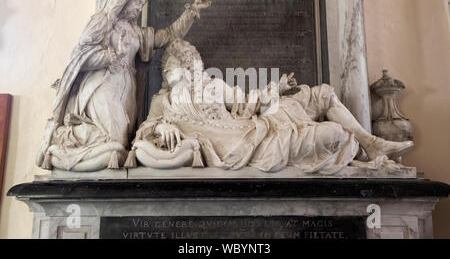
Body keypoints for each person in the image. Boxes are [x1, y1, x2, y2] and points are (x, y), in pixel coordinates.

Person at [131, 39, 413, 174]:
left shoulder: (211, 86)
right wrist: (162, 124)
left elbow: (246, 101)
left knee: (323, 94)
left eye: (190, 68)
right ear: (169, 75)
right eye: (177, 72)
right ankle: (356, 146)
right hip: (255, 143)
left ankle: (371, 142)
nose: (186, 77)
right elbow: (142, 132)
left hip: (258, 123)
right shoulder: (163, 103)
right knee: (334, 134)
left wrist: (276, 90)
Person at [36, 0, 212, 172]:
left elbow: (168, 35)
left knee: (121, 143)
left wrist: (191, 12)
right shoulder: (102, 21)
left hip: (127, 88)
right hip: (103, 84)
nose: (139, 8)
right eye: (137, 2)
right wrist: (110, 55)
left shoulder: (136, 32)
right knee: (112, 140)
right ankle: (67, 138)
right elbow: (80, 55)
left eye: (142, 4)